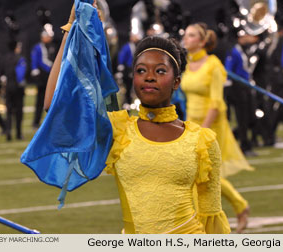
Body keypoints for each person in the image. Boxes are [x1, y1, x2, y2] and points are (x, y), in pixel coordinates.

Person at [21, 1, 230, 234]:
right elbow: (54, 105)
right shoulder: (119, 130)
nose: (149, 77)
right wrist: (71, 30)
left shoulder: (203, 140)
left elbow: (211, 217)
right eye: (141, 71)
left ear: (176, 82)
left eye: (160, 71)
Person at [181, 23, 253, 233]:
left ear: (203, 42)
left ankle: (207, 219)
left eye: (192, 35)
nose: (186, 39)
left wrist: (203, 131)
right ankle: (239, 206)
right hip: (191, 124)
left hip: (211, 125)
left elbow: (216, 103)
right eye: (186, 35)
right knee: (199, 174)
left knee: (205, 174)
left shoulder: (213, 65)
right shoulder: (186, 64)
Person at [224, 30, 259, 156]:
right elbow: (228, 70)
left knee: (249, 117)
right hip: (237, 88)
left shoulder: (242, 49)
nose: (248, 37)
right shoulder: (233, 50)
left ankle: (239, 138)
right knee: (242, 117)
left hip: (245, 86)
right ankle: (244, 145)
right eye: (245, 35)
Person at [30, 24, 56, 129]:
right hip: (42, 77)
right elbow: (38, 61)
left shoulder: (52, 46)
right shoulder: (38, 47)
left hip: (50, 76)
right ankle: (36, 122)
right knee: (40, 100)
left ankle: (52, 121)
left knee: (54, 99)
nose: (49, 38)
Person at [1, 41, 27, 141]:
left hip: (8, 87)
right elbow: (20, 74)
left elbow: (1, 73)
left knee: (8, 111)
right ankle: (18, 133)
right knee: (18, 111)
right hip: (17, 88)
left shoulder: (5, 58)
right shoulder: (20, 58)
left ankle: (8, 132)